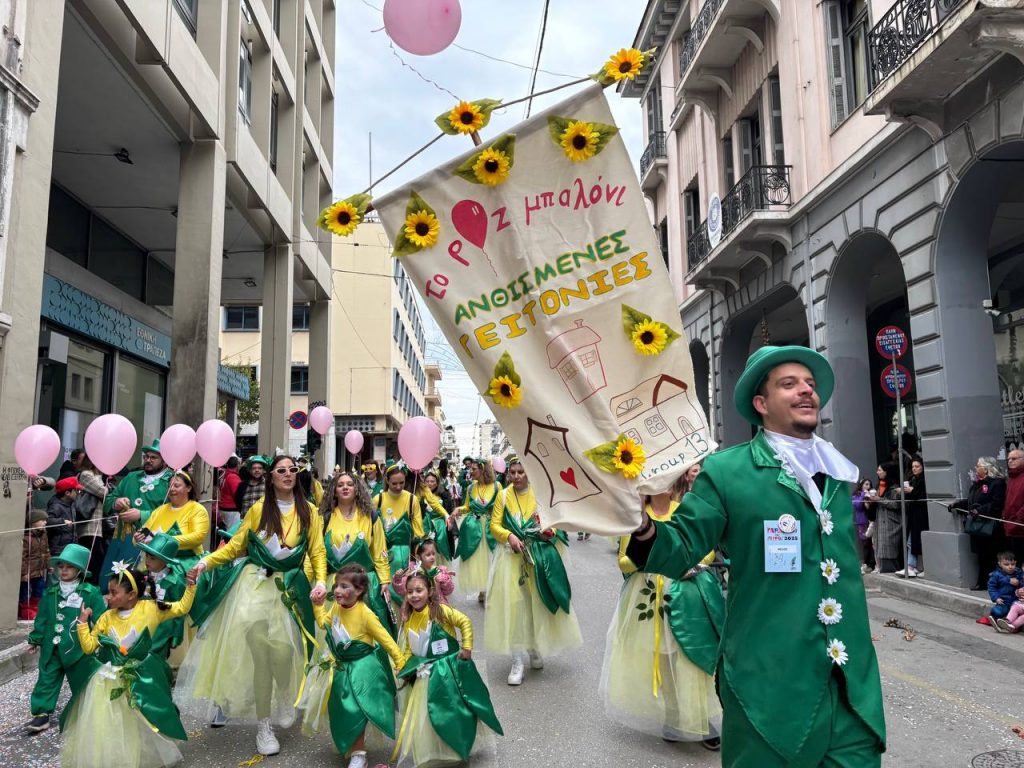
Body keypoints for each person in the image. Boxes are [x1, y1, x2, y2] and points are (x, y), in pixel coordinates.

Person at [625, 345, 885, 766]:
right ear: (761, 404)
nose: (806, 391)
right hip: (766, 685)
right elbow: (679, 548)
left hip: (849, 686)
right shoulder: (726, 472)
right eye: (789, 384)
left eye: (810, 384)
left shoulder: (839, 471)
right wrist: (640, 524)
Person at [177, 454, 327, 756]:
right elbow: (236, 546)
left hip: (290, 590)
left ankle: (285, 692)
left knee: (284, 652)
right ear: (270, 477)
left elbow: (317, 552)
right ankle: (263, 725)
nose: (287, 474)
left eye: (292, 470)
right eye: (281, 470)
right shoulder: (259, 509)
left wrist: (321, 581)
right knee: (261, 653)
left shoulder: (309, 511)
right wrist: (205, 562)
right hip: (254, 588)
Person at [601, 487, 723, 750]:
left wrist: (693, 563)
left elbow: (707, 549)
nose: (660, 484)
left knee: (689, 657)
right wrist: (642, 556)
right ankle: (673, 714)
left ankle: (700, 719)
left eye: (665, 478)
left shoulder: (684, 512)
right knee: (663, 657)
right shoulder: (636, 518)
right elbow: (623, 561)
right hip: (648, 596)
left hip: (685, 591)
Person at [62, 565, 197, 768]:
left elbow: (182, 608)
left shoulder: (151, 608)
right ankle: (117, 758)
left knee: (143, 717)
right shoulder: (107, 617)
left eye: (114, 592)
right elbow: (90, 647)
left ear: (132, 595)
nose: (108, 596)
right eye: (108, 591)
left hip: (142, 674)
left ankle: (143, 755)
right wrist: (82, 623)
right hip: (110, 677)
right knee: (113, 720)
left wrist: (191, 586)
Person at [486, 456, 582, 685]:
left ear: (528, 472)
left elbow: (552, 521)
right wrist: (509, 536)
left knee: (534, 605)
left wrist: (547, 531)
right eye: (513, 472)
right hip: (510, 560)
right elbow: (494, 525)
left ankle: (534, 647)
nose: (517, 476)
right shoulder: (503, 495)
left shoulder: (540, 493)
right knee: (515, 607)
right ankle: (517, 659)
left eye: (521, 472)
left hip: (536, 557)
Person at [394, 568, 503, 767]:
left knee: (454, 709)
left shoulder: (440, 610)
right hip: (426, 673)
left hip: (448, 670)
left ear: (430, 592)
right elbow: (410, 647)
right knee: (430, 713)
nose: (414, 595)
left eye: (419, 590)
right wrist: (403, 666)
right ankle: (436, 748)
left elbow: (464, 621)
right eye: (410, 592)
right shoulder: (409, 618)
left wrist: (467, 647)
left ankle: (459, 744)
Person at [302, 564, 405, 768]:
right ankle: (352, 745)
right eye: (336, 586)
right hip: (341, 667)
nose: (337, 591)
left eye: (344, 586)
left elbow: (385, 639)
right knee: (342, 707)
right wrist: (318, 605)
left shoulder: (366, 614)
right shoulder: (337, 608)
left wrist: (400, 662)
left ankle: (359, 754)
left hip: (363, 669)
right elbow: (324, 623)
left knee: (358, 709)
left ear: (358, 591)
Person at [25, 543, 105, 734]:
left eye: (69, 566)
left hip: (78, 647)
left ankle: (86, 709)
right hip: (51, 647)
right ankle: (41, 714)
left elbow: (102, 620)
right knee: (46, 679)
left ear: (79, 570)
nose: (64, 570)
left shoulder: (89, 592)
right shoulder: (51, 592)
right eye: (61, 566)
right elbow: (42, 617)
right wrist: (36, 639)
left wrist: (100, 640)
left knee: (82, 680)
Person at [315, 470, 393, 634]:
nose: (345, 488)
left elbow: (379, 551)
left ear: (357, 489)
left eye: (350, 484)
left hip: (363, 586)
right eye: (340, 485)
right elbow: (318, 552)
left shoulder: (371, 517)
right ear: (334, 491)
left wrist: (385, 581)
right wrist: (317, 582)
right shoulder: (324, 518)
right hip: (335, 584)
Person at [99, 441, 173, 592]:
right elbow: (109, 501)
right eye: (146, 456)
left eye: (154, 457)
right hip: (124, 539)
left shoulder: (172, 481)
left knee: (139, 583)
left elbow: (175, 511)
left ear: (165, 461)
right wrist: (116, 503)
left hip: (154, 541)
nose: (148, 460)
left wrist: (142, 515)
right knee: (113, 579)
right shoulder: (131, 477)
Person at [135, 470, 209, 571]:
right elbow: (144, 533)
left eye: (176, 486)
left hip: (185, 566)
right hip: (154, 566)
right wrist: (138, 538)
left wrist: (164, 541)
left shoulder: (197, 509)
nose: (172, 489)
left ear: (188, 488)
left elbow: (198, 537)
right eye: (170, 486)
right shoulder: (159, 510)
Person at [137, 533, 190, 660]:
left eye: (153, 559)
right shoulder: (142, 576)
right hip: (141, 624)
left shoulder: (175, 581)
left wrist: (177, 634)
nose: (147, 561)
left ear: (165, 561)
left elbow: (180, 610)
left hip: (163, 629)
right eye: (147, 557)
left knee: (156, 658)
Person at [456, 458, 501, 602]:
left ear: (482, 470)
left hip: (490, 527)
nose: (471, 471)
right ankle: (483, 590)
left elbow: (501, 507)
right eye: (470, 469)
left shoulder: (496, 486)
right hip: (474, 528)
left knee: (492, 558)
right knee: (478, 561)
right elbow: (467, 506)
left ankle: (491, 589)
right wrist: (459, 509)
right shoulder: (470, 488)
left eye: (474, 469)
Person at [966, 457, 1008, 590]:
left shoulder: (997, 483)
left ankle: (993, 584)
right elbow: (972, 501)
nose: (976, 468)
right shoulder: (977, 484)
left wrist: (979, 510)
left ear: (986, 468)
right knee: (981, 556)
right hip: (978, 526)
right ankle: (983, 582)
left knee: (991, 556)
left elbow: (997, 504)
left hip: (991, 526)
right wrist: (957, 505)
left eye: (978, 466)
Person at [373, 464, 425, 573]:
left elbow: (418, 529)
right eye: (394, 483)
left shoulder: (412, 499)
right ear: (387, 480)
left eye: (402, 483)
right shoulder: (378, 499)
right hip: (383, 552)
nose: (398, 487)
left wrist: (418, 553)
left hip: (406, 552)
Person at [74, 454, 109, 585]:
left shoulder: (96, 476)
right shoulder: (86, 474)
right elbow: (103, 492)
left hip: (98, 527)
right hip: (89, 527)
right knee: (93, 560)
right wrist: (104, 479)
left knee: (97, 559)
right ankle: (88, 587)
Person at [864, 463, 903, 574]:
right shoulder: (878, 486)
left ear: (886, 471)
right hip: (880, 521)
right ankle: (882, 568)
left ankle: (892, 569)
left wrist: (879, 499)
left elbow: (896, 504)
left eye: (880, 470)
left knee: (889, 546)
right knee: (879, 545)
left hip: (891, 522)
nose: (877, 472)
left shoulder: (894, 487)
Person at [392, 537, 455, 605]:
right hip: (419, 609)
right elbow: (401, 591)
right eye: (428, 555)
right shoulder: (414, 572)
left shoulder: (440, 571)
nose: (432, 557)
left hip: (438, 607)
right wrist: (398, 579)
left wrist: (444, 580)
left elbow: (448, 591)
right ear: (418, 557)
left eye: (433, 554)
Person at [895, 457, 928, 578]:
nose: (914, 469)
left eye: (917, 466)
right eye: (913, 467)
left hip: (922, 514)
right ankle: (911, 566)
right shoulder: (913, 479)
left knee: (920, 541)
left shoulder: (924, 480)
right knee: (911, 540)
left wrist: (911, 491)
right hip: (913, 513)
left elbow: (922, 496)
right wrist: (903, 491)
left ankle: (924, 567)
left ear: (922, 467)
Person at [416, 470, 456, 563]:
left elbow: (449, 513)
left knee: (439, 551)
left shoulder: (444, 495)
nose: (430, 484)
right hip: (425, 526)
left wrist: (453, 531)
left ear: (437, 482)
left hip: (440, 527)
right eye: (427, 481)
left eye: (432, 481)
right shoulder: (421, 494)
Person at [19, 511, 49, 620]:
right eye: (42, 520)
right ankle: (25, 610)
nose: (45, 522)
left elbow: (46, 551)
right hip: (28, 573)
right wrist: (23, 573)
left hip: (39, 571)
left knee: (39, 591)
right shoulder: (27, 537)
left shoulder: (44, 535)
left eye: (46, 520)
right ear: (33, 522)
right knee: (25, 593)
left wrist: (48, 565)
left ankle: (36, 609)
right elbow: (22, 557)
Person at [45, 477, 80, 556]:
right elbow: (47, 521)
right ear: (67, 493)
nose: (78, 493)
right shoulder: (56, 506)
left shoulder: (71, 504)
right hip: (59, 549)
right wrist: (62, 522)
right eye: (76, 490)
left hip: (70, 547)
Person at [987, 551, 1023, 625]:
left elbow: (1022, 585)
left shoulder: (1018, 573)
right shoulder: (996, 575)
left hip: (1016, 601)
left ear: (1015, 563)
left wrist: (1018, 583)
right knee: (997, 611)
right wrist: (996, 598)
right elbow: (991, 587)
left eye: (1012, 564)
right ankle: (995, 618)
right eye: (1006, 564)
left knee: (1017, 610)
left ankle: (1009, 623)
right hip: (1003, 601)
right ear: (1000, 564)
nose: (1010, 567)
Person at [1002, 449, 1024, 562]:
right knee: (1015, 563)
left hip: (1020, 527)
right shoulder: (1011, 478)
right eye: (1008, 459)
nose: (1010, 461)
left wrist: (1018, 518)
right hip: (1011, 527)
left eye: (1013, 458)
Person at [852, 478, 876, 575]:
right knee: (865, 543)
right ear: (861, 485)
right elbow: (857, 506)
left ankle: (872, 564)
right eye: (866, 484)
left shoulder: (872, 493)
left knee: (872, 543)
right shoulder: (856, 495)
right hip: (862, 522)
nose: (868, 486)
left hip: (871, 521)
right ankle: (865, 564)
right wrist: (863, 494)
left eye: (869, 484)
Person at [218, 456, 243, 529]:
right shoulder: (233, 477)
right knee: (232, 532)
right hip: (231, 509)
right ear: (237, 465)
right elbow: (237, 494)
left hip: (225, 508)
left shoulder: (226, 475)